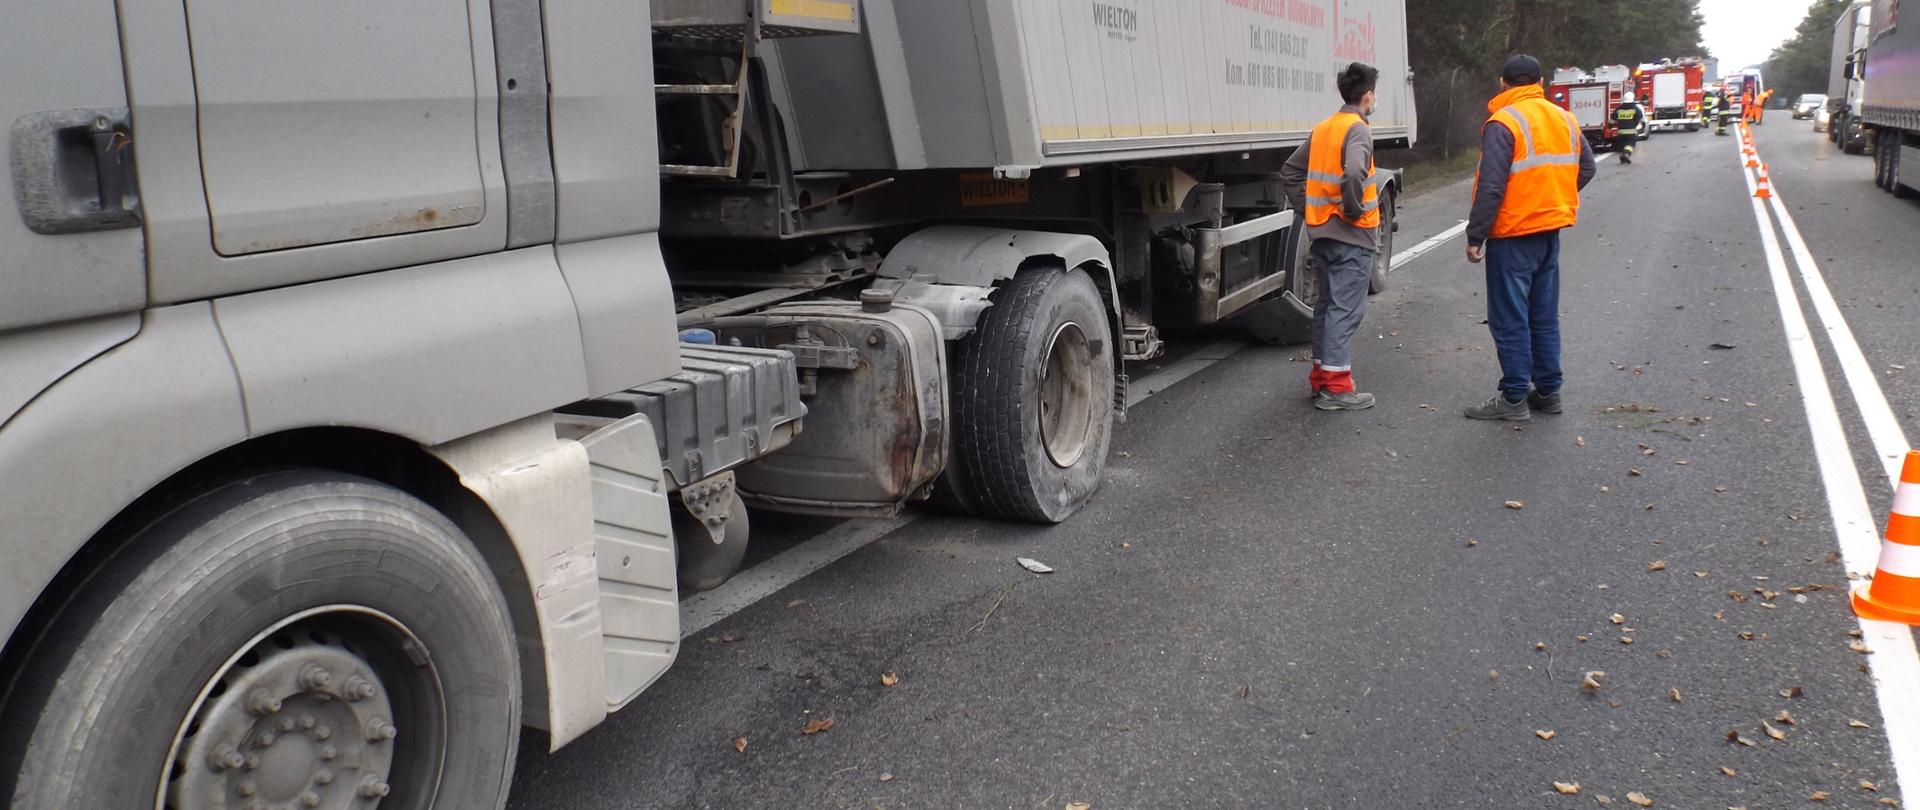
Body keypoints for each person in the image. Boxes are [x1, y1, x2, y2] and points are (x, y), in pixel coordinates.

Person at [1462, 54, 1598, 421]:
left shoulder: (1503, 121)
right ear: (1540, 82)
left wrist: (1476, 236)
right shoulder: (1564, 118)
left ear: (1503, 83)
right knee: (1543, 315)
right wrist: (1552, 197)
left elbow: (1491, 186)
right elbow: (1586, 167)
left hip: (1513, 233)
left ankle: (1513, 398)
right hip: (1549, 231)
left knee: (1509, 318)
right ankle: (1549, 392)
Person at [1279, 62, 1383, 411]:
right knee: (1345, 308)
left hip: (1322, 233)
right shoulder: (1358, 130)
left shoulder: (1324, 128)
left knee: (1326, 307)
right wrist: (1352, 210)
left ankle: (1323, 378)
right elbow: (1354, 171)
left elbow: (1291, 171)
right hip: (1352, 234)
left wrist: (1307, 211)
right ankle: (1337, 389)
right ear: (1367, 95)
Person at [1613, 93, 1645, 163]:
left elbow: (1612, 120)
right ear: (1633, 99)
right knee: (1630, 144)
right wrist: (1643, 126)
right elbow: (1641, 120)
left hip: (1621, 132)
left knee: (1621, 145)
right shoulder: (1636, 109)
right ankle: (1627, 154)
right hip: (1631, 131)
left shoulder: (1619, 109)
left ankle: (1621, 156)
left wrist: (1610, 126)